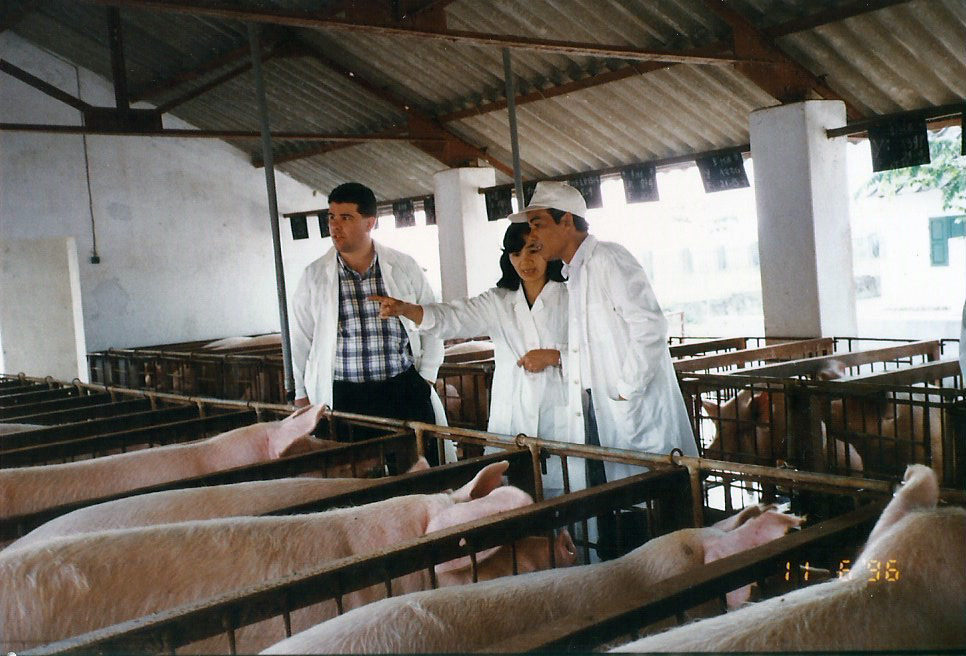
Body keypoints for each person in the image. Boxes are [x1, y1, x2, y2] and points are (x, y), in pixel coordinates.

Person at [510, 181, 699, 553]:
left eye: (538, 224)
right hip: (602, 410)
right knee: (623, 506)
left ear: (567, 221)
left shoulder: (609, 259)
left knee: (653, 511)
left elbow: (650, 326)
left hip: (631, 409)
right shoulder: (575, 273)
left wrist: (626, 390)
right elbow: (594, 348)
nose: (533, 236)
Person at [370, 223, 581, 497]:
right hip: (511, 420)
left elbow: (598, 351)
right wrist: (407, 309)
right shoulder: (498, 301)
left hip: (560, 417)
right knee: (507, 500)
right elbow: (453, 317)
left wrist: (556, 357)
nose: (525, 261)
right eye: (516, 253)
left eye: (534, 250)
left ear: (549, 251)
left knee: (566, 497)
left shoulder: (571, 296)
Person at [290, 182, 446, 465]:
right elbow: (301, 339)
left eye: (345, 217)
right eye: (331, 217)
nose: (335, 226)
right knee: (355, 476)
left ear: (370, 222)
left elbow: (431, 320)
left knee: (418, 471)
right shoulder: (314, 276)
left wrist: (427, 377)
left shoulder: (404, 266)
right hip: (344, 394)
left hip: (401, 389)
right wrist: (301, 394)